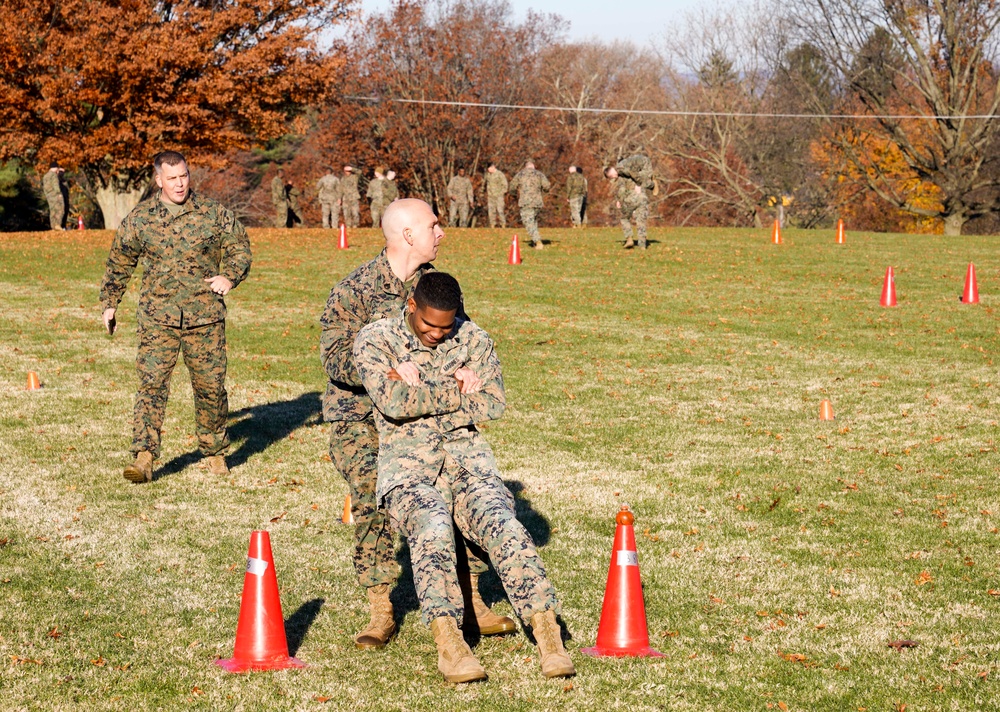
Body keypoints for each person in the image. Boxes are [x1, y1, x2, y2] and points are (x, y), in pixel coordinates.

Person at [354, 272, 575, 683]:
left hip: (469, 465)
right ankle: (450, 645)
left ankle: (548, 635)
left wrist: (422, 387)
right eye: (428, 325)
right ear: (412, 307)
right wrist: (457, 386)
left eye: (446, 325)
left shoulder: (474, 339)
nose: (438, 333)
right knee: (432, 528)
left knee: (505, 525)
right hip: (409, 472)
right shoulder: (376, 340)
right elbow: (393, 402)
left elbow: (492, 403)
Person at [319, 198, 515, 650]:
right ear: (409, 235)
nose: (441, 232)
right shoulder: (355, 289)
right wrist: (384, 370)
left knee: (456, 491)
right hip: (363, 417)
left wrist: (468, 371)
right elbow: (333, 360)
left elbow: (461, 340)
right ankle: (381, 608)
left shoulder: (438, 288)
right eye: (433, 225)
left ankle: (470, 601)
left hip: (426, 416)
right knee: (372, 500)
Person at [99, 150, 252, 483]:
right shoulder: (141, 218)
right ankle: (143, 457)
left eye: (184, 176)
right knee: (151, 387)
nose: (180, 183)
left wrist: (230, 276)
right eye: (172, 178)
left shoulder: (213, 213)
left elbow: (240, 245)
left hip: (205, 317)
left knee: (210, 388)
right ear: (159, 180)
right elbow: (120, 260)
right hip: (158, 318)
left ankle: (213, 452)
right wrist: (110, 303)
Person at [605, 154, 654, 250]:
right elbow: (636, 174)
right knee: (641, 221)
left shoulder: (622, 174)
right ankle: (642, 245)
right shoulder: (632, 170)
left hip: (632, 198)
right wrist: (641, 184)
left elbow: (622, 191)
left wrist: (619, 200)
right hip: (642, 197)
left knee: (624, 218)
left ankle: (629, 239)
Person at [508, 160, 550, 249]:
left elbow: (512, 186)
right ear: (533, 166)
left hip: (526, 202)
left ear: (525, 167)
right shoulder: (539, 174)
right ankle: (536, 240)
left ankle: (538, 241)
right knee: (533, 221)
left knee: (528, 222)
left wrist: (514, 194)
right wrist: (542, 191)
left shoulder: (520, 174)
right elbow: (547, 186)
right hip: (537, 202)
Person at [42, 163, 68, 231]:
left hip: (49, 195)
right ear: (56, 168)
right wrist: (59, 193)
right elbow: (55, 185)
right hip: (55, 195)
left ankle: (53, 226)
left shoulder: (45, 176)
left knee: (52, 210)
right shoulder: (54, 175)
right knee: (60, 209)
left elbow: (44, 187)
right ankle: (57, 224)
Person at [484, 163, 508, 228]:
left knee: (500, 211)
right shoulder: (488, 175)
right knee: (491, 211)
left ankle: (503, 224)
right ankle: (492, 225)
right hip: (491, 196)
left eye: (489, 168)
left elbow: (505, 185)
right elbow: (485, 184)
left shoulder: (500, 174)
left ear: (493, 167)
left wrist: (501, 193)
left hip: (498, 196)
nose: (488, 170)